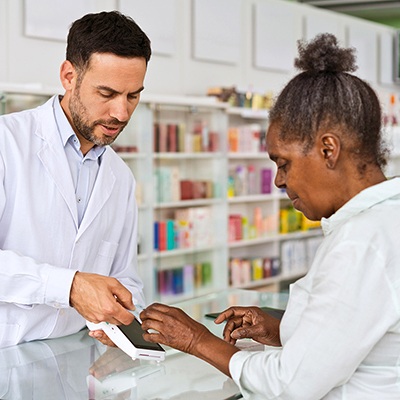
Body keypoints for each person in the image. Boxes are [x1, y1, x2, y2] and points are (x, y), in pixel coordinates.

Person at [139, 34, 400, 399]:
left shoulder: (362, 242)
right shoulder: (386, 221)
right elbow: (356, 337)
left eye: (283, 163)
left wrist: (196, 340)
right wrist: (281, 328)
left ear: (328, 149)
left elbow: (291, 384)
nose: (279, 180)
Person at [0, 11, 151, 348]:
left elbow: (125, 276)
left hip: (70, 358)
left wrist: (123, 319)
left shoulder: (120, 177)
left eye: (133, 96)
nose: (121, 113)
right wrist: (69, 286)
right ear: (69, 76)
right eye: (107, 93)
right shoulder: (6, 143)